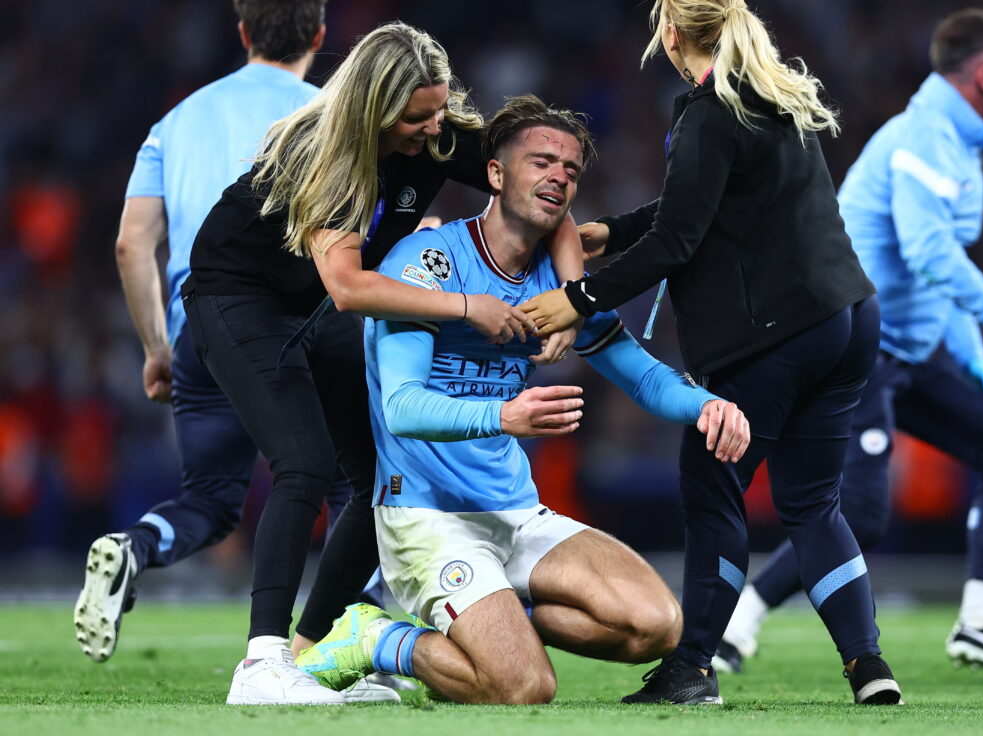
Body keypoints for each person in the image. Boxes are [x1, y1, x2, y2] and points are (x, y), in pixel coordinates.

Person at [292, 94, 750, 705]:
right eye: (541, 161)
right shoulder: (428, 265)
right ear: (496, 173)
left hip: (514, 512)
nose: (559, 175)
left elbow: (640, 375)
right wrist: (502, 416)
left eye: (570, 169)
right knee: (524, 687)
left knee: (658, 624)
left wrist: (705, 406)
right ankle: (373, 637)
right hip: (427, 519)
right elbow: (401, 408)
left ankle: (489, 620)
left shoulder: (558, 287)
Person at [182, 23, 585, 705]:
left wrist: (567, 300)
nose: (432, 130)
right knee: (303, 461)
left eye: (437, 111)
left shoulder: (440, 131)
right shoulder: (323, 151)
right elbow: (348, 285)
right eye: (415, 116)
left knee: (383, 478)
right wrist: (467, 306)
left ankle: (309, 656)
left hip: (315, 303)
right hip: (239, 296)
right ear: (371, 105)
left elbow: (537, 191)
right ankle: (260, 663)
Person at [522, 0, 903, 706]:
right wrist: (611, 229)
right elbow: (697, 207)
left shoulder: (705, 113)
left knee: (712, 487)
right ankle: (868, 664)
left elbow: (679, 241)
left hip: (777, 335)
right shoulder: (773, 89)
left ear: (671, 35)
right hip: (849, 320)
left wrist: (577, 300)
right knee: (813, 504)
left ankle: (692, 667)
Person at [74, 0, 388, 691]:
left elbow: (133, 242)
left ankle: (138, 545)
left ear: (243, 33)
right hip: (292, 321)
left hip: (200, 328)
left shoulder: (175, 121)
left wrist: (157, 345)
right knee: (343, 482)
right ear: (320, 35)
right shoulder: (327, 114)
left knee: (213, 499)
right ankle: (338, 640)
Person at [717, 7, 983, 674]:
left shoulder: (952, 143)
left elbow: (932, 282)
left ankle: (980, 619)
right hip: (855, 349)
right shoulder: (922, 140)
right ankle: (739, 617)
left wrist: (977, 365)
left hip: (910, 351)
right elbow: (932, 256)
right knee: (859, 510)